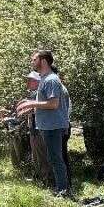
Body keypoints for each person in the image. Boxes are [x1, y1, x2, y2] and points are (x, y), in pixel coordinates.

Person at [16, 50, 71, 196]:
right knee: (54, 158)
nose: (32, 62)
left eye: (34, 59)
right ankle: (61, 189)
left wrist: (31, 103)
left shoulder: (51, 80)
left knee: (56, 159)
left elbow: (53, 104)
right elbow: (46, 103)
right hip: (48, 126)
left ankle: (62, 191)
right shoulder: (45, 78)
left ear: (44, 61)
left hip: (53, 126)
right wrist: (31, 104)